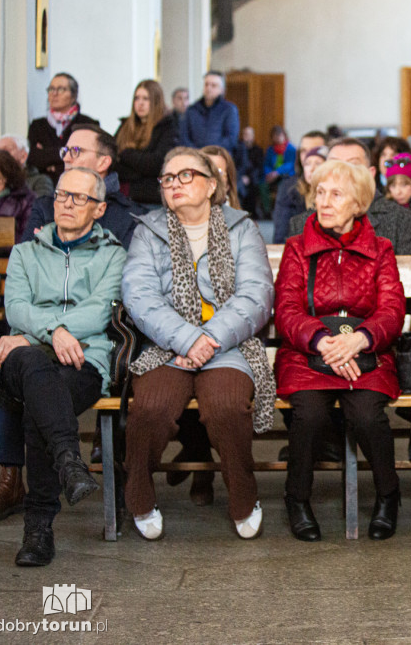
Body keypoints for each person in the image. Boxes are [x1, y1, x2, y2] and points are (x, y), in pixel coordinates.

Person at [122, 147, 275, 541]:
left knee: (226, 407)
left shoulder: (241, 227)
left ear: (211, 185)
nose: (174, 184)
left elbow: (256, 295)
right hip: (165, 345)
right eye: (167, 178)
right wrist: (188, 338)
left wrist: (210, 338)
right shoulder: (148, 230)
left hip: (228, 344)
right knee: (151, 409)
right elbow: (139, 296)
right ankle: (138, 495)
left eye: (185, 175)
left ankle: (243, 496)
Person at [0, 166, 125, 565]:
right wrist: (53, 333)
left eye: (79, 198)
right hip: (24, 360)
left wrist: (44, 332)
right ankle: (69, 461)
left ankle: (38, 530)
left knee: (43, 401)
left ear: (99, 208)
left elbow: (102, 311)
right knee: (33, 367)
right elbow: (14, 307)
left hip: (85, 359)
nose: (66, 204)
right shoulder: (25, 251)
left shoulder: (113, 255)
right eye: (62, 195)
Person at [274, 159, 405, 542]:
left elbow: (392, 310)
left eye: (336, 194)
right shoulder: (298, 247)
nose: (324, 201)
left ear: (358, 203)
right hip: (308, 352)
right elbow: (286, 309)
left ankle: (388, 495)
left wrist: (358, 341)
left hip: (365, 351)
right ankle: (296, 498)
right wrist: (324, 343)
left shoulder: (380, 249)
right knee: (310, 414)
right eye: (319, 193)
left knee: (366, 414)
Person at [288, 138, 411, 255]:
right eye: (334, 165)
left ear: (370, 174)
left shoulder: (402, 221)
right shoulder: (301, 225)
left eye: (353, 165)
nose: (341, 173)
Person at [23, 124, 146, 249]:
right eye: (65, 151)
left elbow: (121, 266)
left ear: (103, 163)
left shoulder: (131, 216)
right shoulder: (45, 206)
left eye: (76, 151)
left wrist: (56, 248)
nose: (66, 158)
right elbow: (23, 261)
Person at [114, 79, 179, 206]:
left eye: (146, 99)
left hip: (150, 199)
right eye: (137, 98)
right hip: (121, 197)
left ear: (155, 101)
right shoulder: (125, 126)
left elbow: (157, 164)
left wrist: (126, 153)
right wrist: (139, 172)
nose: (140, 103)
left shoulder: (167, 127)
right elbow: (112, 160)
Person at [27, 72, 99, 183]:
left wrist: (49, 159)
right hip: (45, 187)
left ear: (73, 95)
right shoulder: (37, 125)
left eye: (61, 89)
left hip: (78, 184)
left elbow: (86, 158)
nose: (54, 94)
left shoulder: (88, 124)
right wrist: (69, 152)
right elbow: (33, 158)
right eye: (51, 89)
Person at [179, 71, 240, 153]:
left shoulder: (229, 110)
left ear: (222, 90)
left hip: (219, 157)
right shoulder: (192, 110)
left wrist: (211, 152)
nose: (208, 88)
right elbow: (184, 137)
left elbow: (230, 139)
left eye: (213, 85)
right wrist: (198, 153)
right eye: (206, 84)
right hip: (195, 157)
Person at [267, 126, 301, 245]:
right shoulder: (271, 150)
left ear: (284, 136)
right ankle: (266, 211)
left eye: (279, 135)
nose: (277, 138)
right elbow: (266, 164)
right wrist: (269, 173)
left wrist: (277, 172)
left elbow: (290, 165)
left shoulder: (291, 149)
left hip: (286, 175)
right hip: (273, 176)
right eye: (275, 136)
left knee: (284, 186)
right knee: (263, 186)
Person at [202, 145, 243, 210]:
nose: (211, 177)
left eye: (218, 172)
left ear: (228, 184)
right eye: (206, 170)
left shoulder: (242, 219)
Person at [237, 126, 265, 217]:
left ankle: (253, 212)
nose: (247, 137)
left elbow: (258, 167)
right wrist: (241, 176)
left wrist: (249, 177)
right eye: (245, 134)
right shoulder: (238, 149)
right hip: (240, 175)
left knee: (253, 186)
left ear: (253, 136)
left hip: (253, 177)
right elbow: (237, 164)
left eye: (249, 135)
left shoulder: (258, 150)